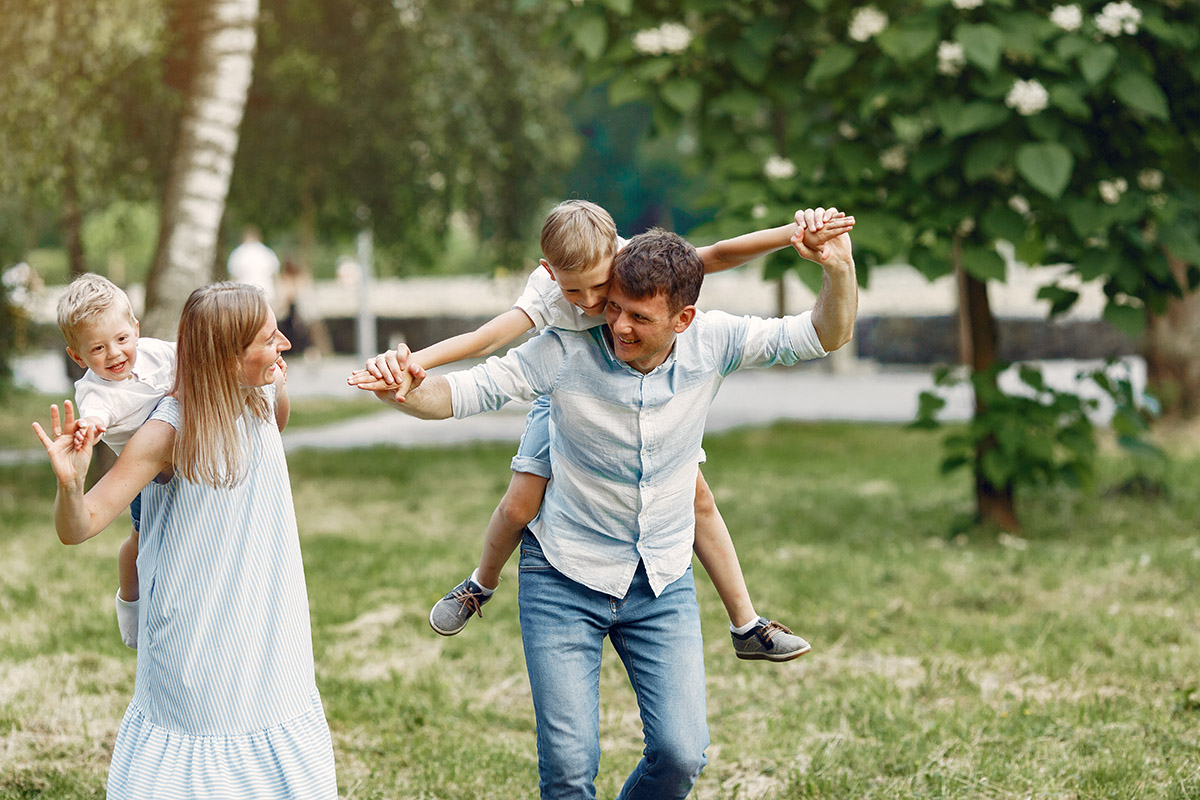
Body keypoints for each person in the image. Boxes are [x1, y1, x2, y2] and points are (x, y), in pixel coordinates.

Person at [363, 216, 857, 798]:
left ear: (683, 320)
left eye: (639, 318)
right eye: (612, 307)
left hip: (661, 578)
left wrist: (838, 269)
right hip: (563, 576)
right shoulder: (564, 347)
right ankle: (480, 583)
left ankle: (746, 625)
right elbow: (464, 391)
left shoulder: (714, 340)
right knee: (570, 770)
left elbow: (826, 333)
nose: (616, 324)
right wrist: (403, 388)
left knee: (680, 755)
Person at [33, 283, 336, 799]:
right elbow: (78, 527)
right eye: (269, 338)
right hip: (198, 634)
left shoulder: (254, 387)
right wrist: (69, 484)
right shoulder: (166, 430)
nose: (285, 343)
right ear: (226, 354)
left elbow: (275, 423)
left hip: (266, 620)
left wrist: (276, 384)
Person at [55, 273, 289, 650]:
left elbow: (189, 361)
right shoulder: (99, 394)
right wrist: (88, 436)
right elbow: (97, 417)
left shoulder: (156, 353)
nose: (114, 354)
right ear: (78, 356)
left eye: (120, 340)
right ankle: (129, 606)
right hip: (149, 479)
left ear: (135, 329)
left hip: (253, 602)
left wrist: (273, 383)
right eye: (97, 349)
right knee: (135, 539)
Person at [227, 226, 280, 304]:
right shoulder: (267, 252)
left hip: (243, 294)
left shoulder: (238, 253)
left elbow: (233, 278)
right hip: (266, 292)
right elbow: (275, 276)